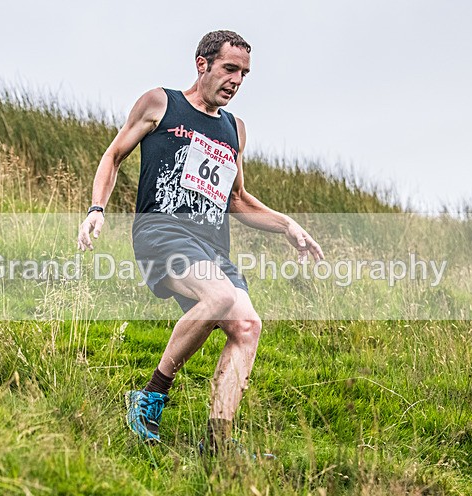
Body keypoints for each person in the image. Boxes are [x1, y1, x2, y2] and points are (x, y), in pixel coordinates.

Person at [77, 30, 323, 454]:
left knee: (247, 326)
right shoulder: (161, 103)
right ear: (202, 64)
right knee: (221, 296)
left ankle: (219, 443)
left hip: (211, 247)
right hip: (161, 232)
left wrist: (286, 225)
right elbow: (113, 155)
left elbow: (237, 199)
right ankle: (149, 397)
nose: (237, 80)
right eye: (230, 69)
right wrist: (97, 208)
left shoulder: (234, 129)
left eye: (244, 73)